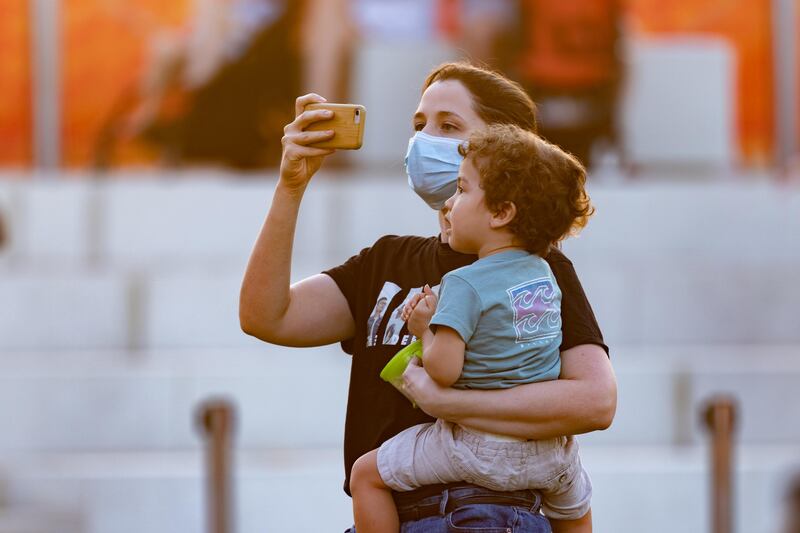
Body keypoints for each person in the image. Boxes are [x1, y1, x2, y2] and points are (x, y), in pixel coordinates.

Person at [239, 62, 617, 531]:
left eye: (449, 126)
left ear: (506, 149)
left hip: (486, 512)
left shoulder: (538, 269)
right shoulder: (386, 260)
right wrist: (291, 186)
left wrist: (453, 408)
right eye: (420, 126)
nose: (425, 141)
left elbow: (595, 401)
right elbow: (266, 316)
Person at [350, 124, 594, 533]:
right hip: (550, 453)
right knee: (576, 504)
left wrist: (424, 328)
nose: (450, 202)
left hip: (474, 447)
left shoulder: (464, 283)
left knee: (366, 475)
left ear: (501, 213)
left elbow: (445, 371)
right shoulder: (545, 274)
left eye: (462, 190)